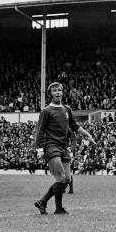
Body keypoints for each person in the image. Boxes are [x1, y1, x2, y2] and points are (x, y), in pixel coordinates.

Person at [33, 82, 96, 215]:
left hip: (63, 147)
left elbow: (74, 126)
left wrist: (87, 135)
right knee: (61, 177)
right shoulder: (46, 111)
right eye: (54, 90)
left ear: (62, 92)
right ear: (50, 94)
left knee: (66, 179)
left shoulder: (66, 109)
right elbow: (40, 130)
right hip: (51, 146)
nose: (57, 92)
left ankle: (42, 202)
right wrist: (39, 149)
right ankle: (59, 209)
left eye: (59, 90)